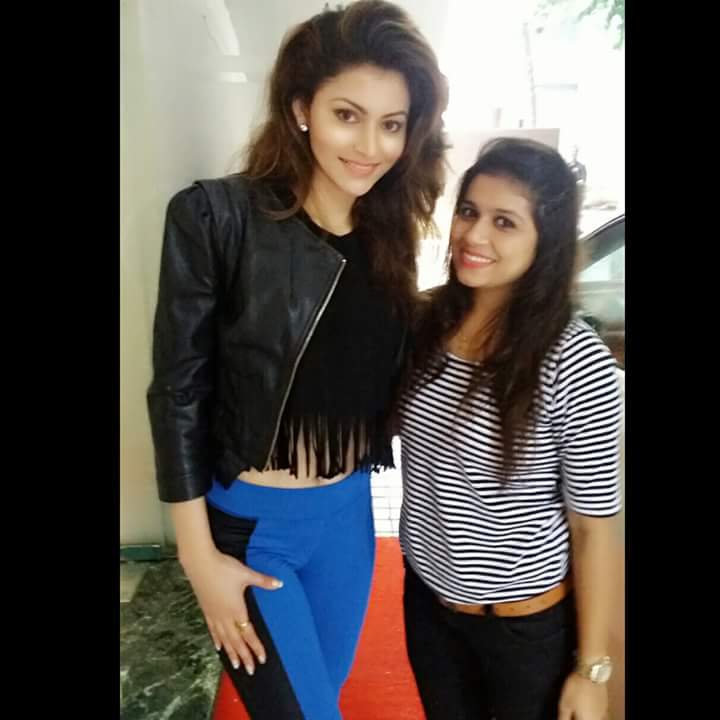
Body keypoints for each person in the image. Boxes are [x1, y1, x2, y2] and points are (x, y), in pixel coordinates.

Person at [145, 1, 447, 718]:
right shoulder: (215, 218)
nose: (370, 145)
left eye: (392, 123)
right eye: (348, 115)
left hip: (348, 519)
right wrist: (198, 558)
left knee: (322, 699)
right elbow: (178, 392)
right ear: (301, 108)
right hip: (255, 531)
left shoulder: (386, 231)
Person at [398, 138, 621, 720]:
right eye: (469, 212)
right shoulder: (426, 324)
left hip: (524, 633)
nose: (474, 236)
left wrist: (592, 670)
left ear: (546, 240)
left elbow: (593, 527)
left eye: (505, 222)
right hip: (428, 608)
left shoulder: (574, 360)